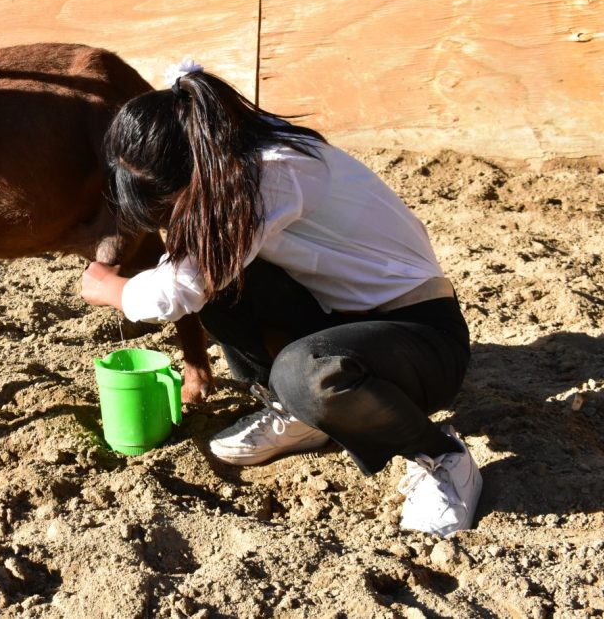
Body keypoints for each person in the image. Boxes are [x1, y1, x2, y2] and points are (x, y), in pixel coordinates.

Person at [80, 60, 481, 537]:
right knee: (223, 283)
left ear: (193, 169)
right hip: (344, 316)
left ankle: (442, 457)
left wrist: (111, 288)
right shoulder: (234, 151)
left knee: (305, 372)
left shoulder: (267, 175)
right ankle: (300, 416)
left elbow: (171, 293)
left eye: (172, 201)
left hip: (422, 336)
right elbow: (195, 274)